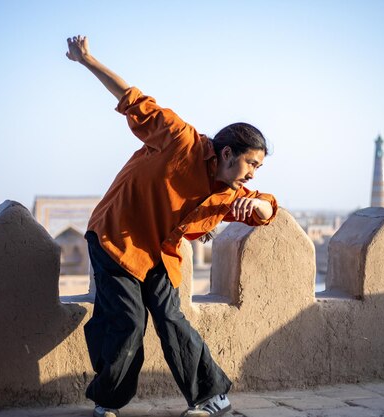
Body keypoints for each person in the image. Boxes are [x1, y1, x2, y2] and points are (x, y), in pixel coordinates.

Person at [66, 35, 278, 417]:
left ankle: (213, 397)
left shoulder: (228, 192)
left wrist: (260, 206)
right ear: (226, 153)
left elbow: (266, 209)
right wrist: (86, 59)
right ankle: (108, 402)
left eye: (258, 170)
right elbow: (130, 97)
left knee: (170, 319)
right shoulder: (178, 138)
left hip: (160, 255)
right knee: (128, 322)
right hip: (116, 239)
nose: (251, 175)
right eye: (250, 165)